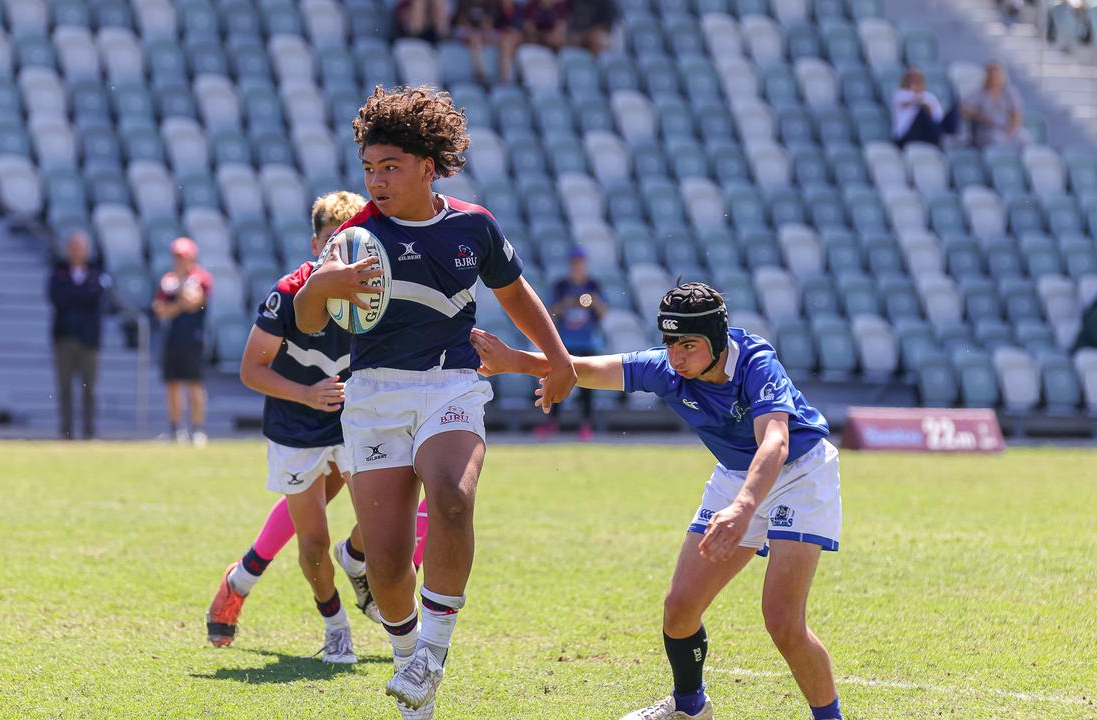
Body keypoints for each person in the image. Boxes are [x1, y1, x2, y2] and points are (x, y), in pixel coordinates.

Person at [292, 86, 577, 719]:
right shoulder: (355, 237)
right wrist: (326, 284)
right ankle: (407, 656)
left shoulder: (472, 225)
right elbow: (311, 320)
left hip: (452, 382)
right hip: (373, 396)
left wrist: (557, 357)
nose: (376, 180)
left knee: (453, 496)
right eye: (368, 168)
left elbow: (515, 291)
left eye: (389, 166)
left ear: (428, 164)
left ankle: (433, 654)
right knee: (389, 568)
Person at [470, 281, 845, 720]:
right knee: (680, 608)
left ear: (718, 340)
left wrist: (744, 506)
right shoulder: (665, 370)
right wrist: (515, 361)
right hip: (737, 476)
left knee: (782, 621)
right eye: (670, 343)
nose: (677, 356)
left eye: (689, 344)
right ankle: (690, 709)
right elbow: (584, 369)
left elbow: (776, 442)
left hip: (799, 473)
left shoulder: (756, 363)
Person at [205, 191, 434, 657]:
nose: (343, 258)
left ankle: (353, 559)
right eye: (333, 245)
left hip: (354, 423)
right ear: (315, 246)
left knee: (386, 518)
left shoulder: (379, 294)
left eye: (353, 244)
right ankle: (334, 624)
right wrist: (308, 394)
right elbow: (251, 370)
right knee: (312, 541)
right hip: (297, 427)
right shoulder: (288, 294)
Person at [47, 232, 110, 440]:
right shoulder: (59, 272)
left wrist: (75, 296)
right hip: (64, 336)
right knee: (65, 387)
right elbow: (57, 298)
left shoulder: (96, 271)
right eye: (73, 247)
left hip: (88, 339)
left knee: (88, 388)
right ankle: (66, 429)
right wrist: (81, 295)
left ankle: (89, 429)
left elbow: (95, 297)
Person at [539, 246, 607, 440]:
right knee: (558, 381)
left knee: (587, 387)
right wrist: (566, 304)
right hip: (565, 342)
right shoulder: (561, 286)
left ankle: (586, 425)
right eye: (574, 263)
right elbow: (550, 312)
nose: (577, 267)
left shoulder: (593, 285)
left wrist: (594, 302)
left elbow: (603, 313)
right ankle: (553, 422)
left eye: (580, 263)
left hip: (587, 342)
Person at [152, 237, 213, 447]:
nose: (179, 261)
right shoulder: (167, 279)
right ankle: (175, 428)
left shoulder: (200, 278)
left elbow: (194, 301)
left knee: (195, 384)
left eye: (183, 257)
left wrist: (174, 304)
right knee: (173, 385)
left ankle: (197, 429)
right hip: (173, 338)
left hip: (193, 338)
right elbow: (160, 309)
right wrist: (179, 303)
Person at [963, 62, 1032, 149]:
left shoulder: (1010, 92)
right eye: (992, 76)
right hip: (988, 130)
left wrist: (1011, 130)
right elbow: (964, 108)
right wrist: (979, 116)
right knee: (996, 140)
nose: (994, 79)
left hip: (1008, 128)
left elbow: (1017, 113)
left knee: (1025, 138)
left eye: (997, 76)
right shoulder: (980, 93)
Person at [453, 0, 521, 85]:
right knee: (475, 38)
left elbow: (488, 22)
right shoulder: (464, 2)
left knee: (505, 41)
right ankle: (480, 74)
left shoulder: (490, 3)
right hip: (465, 30)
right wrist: (475, 32)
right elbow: (461, 22)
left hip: (482, 32)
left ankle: (506, 79)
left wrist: (485, 31)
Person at [892, 67, 960, 147]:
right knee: (922, 110)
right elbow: (905, 103)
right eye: (911, 78)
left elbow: (937, 115)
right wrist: (921, 103)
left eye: (918, 79)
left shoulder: (928, 95)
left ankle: (948, 135)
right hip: (907, 134)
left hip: (927, 132)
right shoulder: (900, 94)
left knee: (954, 110)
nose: (915, 81)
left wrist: (929, 109)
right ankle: (941, 136)